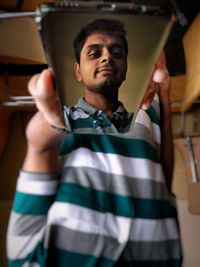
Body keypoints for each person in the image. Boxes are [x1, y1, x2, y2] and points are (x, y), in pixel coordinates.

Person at [7, 19, 182, 266]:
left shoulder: (144, 112)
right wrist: (53, 118)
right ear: (78, 70)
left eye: (117, 52)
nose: (107, 58)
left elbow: (160, 178)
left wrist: (164, 92)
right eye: (94, 53)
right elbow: (38, 140)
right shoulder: (66, 119)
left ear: (126, 67)